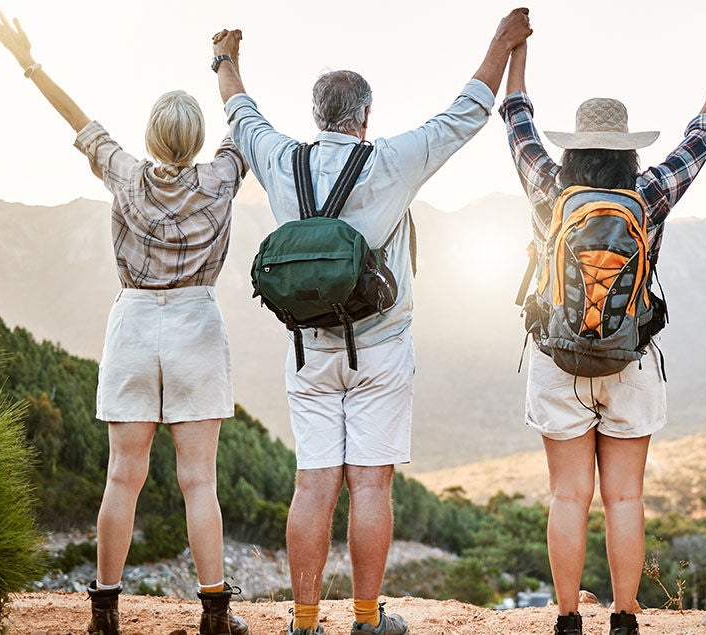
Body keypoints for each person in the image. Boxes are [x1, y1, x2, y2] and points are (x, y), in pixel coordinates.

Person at [210, 9, 532, 635]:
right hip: (379, 349)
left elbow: (238, 110)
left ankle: (304, 622)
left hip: (307, 348)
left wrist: (225, 57)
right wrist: (503, 41)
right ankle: (365, 619)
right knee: (370, 486)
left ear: (316, 115)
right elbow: (467, 111)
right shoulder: (390, 160)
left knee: (312, 485)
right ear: (363, 117)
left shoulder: (281, 159)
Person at [0, 8, 251, 635]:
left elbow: (75, 118)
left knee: (121, 478)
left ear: (153, 136)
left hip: (134, 325)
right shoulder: (221, 179)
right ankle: (215, 613)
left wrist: (28, 62)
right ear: (195, 139)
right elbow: (242, 118)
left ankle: (104, 610)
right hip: (196, 324)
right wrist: (227, 61)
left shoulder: (125, 176)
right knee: (199, 481)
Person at [500, 35, 706, 635]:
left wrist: (516, 53)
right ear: (627, 150)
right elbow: (700, 142)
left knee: (567, 497)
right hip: (631, 357)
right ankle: (626, 618)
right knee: (624, 499)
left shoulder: (550, 188)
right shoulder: (647, 193)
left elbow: (517, 121)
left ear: (575, 148)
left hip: (558, 357)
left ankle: (567, 618)